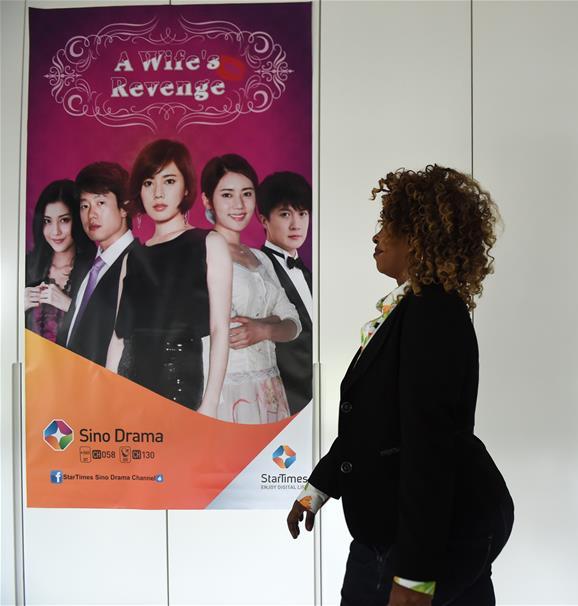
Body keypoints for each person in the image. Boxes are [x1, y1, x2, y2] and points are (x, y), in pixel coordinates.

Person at [286, 165, 513, 606]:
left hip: (409, 551)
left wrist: (414, 576)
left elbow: (429, 448)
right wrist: (318, 490)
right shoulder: (414, 310)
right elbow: (375, 427)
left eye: (387, 226)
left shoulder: (432, 314)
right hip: (388, 542)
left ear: (418, 236)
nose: (376, 238)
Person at [106, 140, 231, 414]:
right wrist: (109, 396)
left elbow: (221, 330)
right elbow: (118, 337)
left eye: (169, 180)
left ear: (186, 188)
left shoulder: (209, 243)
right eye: (149, 183)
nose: (158, 193)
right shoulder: (133, 257)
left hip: (180, 381)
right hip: (130, 381)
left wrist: (210, 403)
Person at [200, 154, 300, 423]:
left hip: (269, 389)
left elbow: (293, 322)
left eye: (247, 193)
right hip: (227, 390)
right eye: (227, 195)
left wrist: (264, 329)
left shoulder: (262, 258)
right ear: (207, 200)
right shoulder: (204, 252)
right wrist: (271, 323)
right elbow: (224, 330)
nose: (239, 205)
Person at [57, 162, 139, 365]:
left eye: (100, 203)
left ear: (124, 208)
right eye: (85, 206)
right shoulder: (87, 266)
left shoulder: (140, 264)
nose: (91, 214)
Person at [257, 171, 314, 415]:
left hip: (317, 397)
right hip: (284, 401)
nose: (296, 224)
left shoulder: (310, 273)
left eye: (302, 213)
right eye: (285, 214)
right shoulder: (257, 270)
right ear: (263, 220)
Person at [25, 179, 95, 342]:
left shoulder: (94, 268)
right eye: (47, 221)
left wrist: (70, 306)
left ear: (77, 220)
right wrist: (16, 307)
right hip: (30, 365)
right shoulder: (26, 266)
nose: (55, 231)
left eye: (64, 220)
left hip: (76, 365)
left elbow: (105, 333)